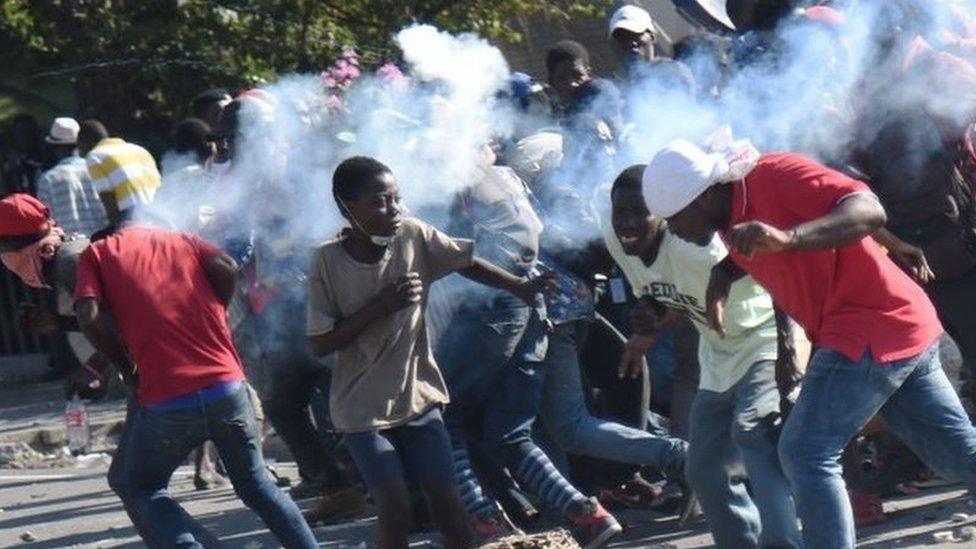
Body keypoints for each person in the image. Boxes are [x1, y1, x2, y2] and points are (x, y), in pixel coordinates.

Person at [641, 136, 976, 549]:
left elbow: (868, 210)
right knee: (957, 454)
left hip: (869, 326)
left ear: (702, 198)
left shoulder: (777, 174)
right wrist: (723, 277)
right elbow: (755, 245)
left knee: (804, 452)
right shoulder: (725, 215)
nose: (672, 230)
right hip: (894, 330)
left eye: (675, 219)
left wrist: (791, 239)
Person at [306, 156, 567, 549]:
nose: (393, 210)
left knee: (448, 505)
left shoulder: (412, 234)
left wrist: (519, 287)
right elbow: (321, 342)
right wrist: (381, 307)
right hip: (362, 410)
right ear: (347, 207)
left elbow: (465, 261)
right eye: (379, 202)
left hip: (419, 397)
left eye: (396, 198)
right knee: (394, 507)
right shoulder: (327, 261)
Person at [74, 218, 318, 548]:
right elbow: (226, 265)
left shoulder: (97, 253)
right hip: (227, 386)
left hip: (166, 398)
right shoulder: (183, 239)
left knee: (141, 487)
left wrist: (125, 367)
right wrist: (218, 307)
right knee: (258, 487)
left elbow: (87, 315)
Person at [0, 193, 221, 547]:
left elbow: (121, 325)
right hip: (168, 370)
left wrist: (97, 368)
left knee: (131, 481)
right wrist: (58, 323)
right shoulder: (70, 252)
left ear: (18, 246)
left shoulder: (69, 262)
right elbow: (111, 319)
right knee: (135, 481)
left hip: (159, 375)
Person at [607, 165, 801, 548]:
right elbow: (672, 294)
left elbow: (778, 280)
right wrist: (649, 317)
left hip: (761, 341)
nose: (627, 223)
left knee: (752, 434)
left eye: (638, 213)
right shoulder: (617, 242)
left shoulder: (699, 247)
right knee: (704, 467)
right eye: (620, 213)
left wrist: (789, 352)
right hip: (717, 356)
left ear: (662, 215)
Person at [436, 157, 625, 546]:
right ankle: (586, 514)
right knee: (511, 435)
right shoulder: (504, 178)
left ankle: (486, 521)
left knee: (443, 418)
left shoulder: (450, 183)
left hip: (490, 310)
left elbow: (448, 261)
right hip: (532, 307)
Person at [77, 119, 160, 228]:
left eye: (79, 145)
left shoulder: (95, 156)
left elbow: (109, 202)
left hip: (132, 218)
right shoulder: (139, 150)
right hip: (159, 214)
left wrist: (114, 234)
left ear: (85, 141)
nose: (79, 151)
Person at [35, 117, 108, 238]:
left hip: (69, 248)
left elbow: (45, 223)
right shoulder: (97, 170)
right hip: (102, 242)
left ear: (54, 146)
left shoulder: (48, 179)